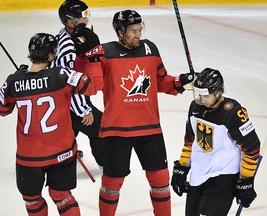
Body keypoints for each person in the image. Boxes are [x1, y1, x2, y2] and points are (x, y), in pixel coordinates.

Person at [71, 9, 195, 216]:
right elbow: (91, 87)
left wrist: (180, 82)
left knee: (161, 182)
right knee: (112, 184)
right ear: (120, 32)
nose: (138, 35)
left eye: (140, 30)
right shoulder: (105, 53)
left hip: (150, 128)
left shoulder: (150, 49)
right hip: (116, 131)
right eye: (133, 31)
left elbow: (160, 80)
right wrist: (89, 57)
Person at [0, 33, 98, 215]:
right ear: (51, 54)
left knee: (32, 200)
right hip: (62, 153)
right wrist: (89, 58)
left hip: (29, 157)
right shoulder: (61, 74)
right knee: (62, 196)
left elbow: (1, 109)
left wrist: (17, 80)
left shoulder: (14, 81)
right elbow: (90, 85)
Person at [170, 68, 260, 216]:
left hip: (223, 178)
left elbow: (251, 148)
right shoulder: (195, 108)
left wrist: (246, 181)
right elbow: (189, 142)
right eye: (199, 94)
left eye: (206, 95)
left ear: (218, 91)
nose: (202, 100)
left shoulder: (233, 111)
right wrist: (182, 168)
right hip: (198, 175)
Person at [51, 0, 103, 166]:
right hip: (71, 102)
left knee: (69, 129)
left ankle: (64, 152)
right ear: (69, 21)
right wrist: (83, 110)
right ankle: (108, 162)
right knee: (100, 128)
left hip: (64, 102)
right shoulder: (68, 47)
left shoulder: (66, 35)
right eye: (82, 17)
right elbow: (69, 81)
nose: (87, 21)